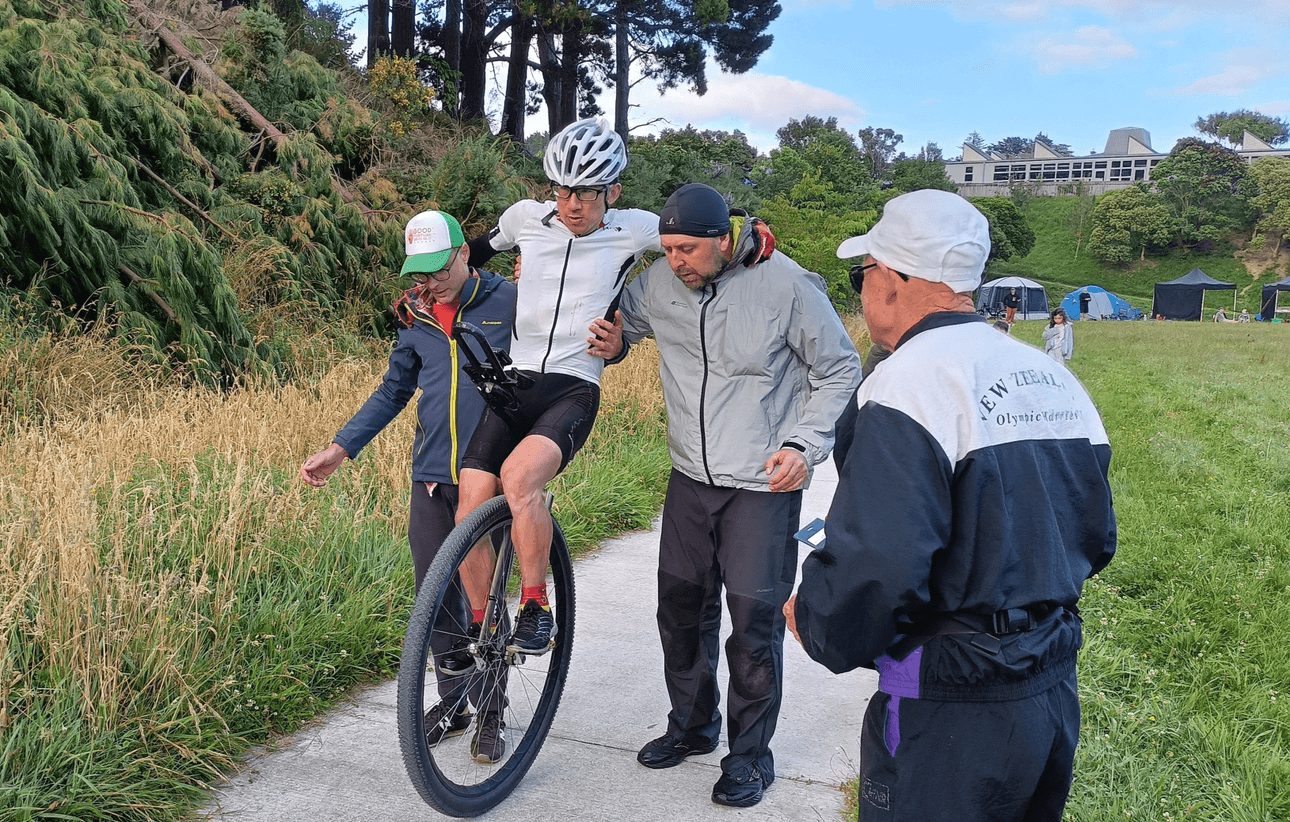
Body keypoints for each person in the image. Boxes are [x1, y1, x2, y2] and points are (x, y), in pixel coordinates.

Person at [785, 189, 1117, 822]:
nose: (861, 290)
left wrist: (820, 622)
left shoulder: (906, 383)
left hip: (945, 695)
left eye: (863, 273)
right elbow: (1096, 538)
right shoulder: (1051, 378)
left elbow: (880, 565)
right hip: (1049, 685)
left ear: (892, 280)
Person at [597, 183, 861, 808]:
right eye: (666, 250)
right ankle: (691, 727)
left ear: (723, 239)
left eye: (688, 248)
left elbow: (839, 368)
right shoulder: (659, 282)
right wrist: (614, 343)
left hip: (761, 486)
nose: (676, 261)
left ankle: (748, 756)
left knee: (752, 628)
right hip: (690, 477)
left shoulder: (788, 286)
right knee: (680, 614)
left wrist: (803, 445)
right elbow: (622, 322)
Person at [300, 210, 516, 764]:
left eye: (439, 269)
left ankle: (492, 711)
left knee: (480, 597)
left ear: (465, 254)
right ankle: (455, 702)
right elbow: (392, 390)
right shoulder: (415, 316)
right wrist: (340, 447)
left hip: (487, 474)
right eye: (419, 274)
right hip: (429, 478)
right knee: (433, 597)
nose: (430, 283)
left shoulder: (509, 302)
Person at [454, 117, 662, 656]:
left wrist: (747, 235)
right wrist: (428, 287)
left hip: (572, 387)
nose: (574, 205)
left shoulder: (635, 229)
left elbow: (698, 239)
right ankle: (483, 627)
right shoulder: (525, 218)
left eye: (589, 194)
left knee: (519, 478)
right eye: (564, 191)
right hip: (514, 381)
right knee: (470, 497)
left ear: (612, 191)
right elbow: (472, 254)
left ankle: (534, 607)